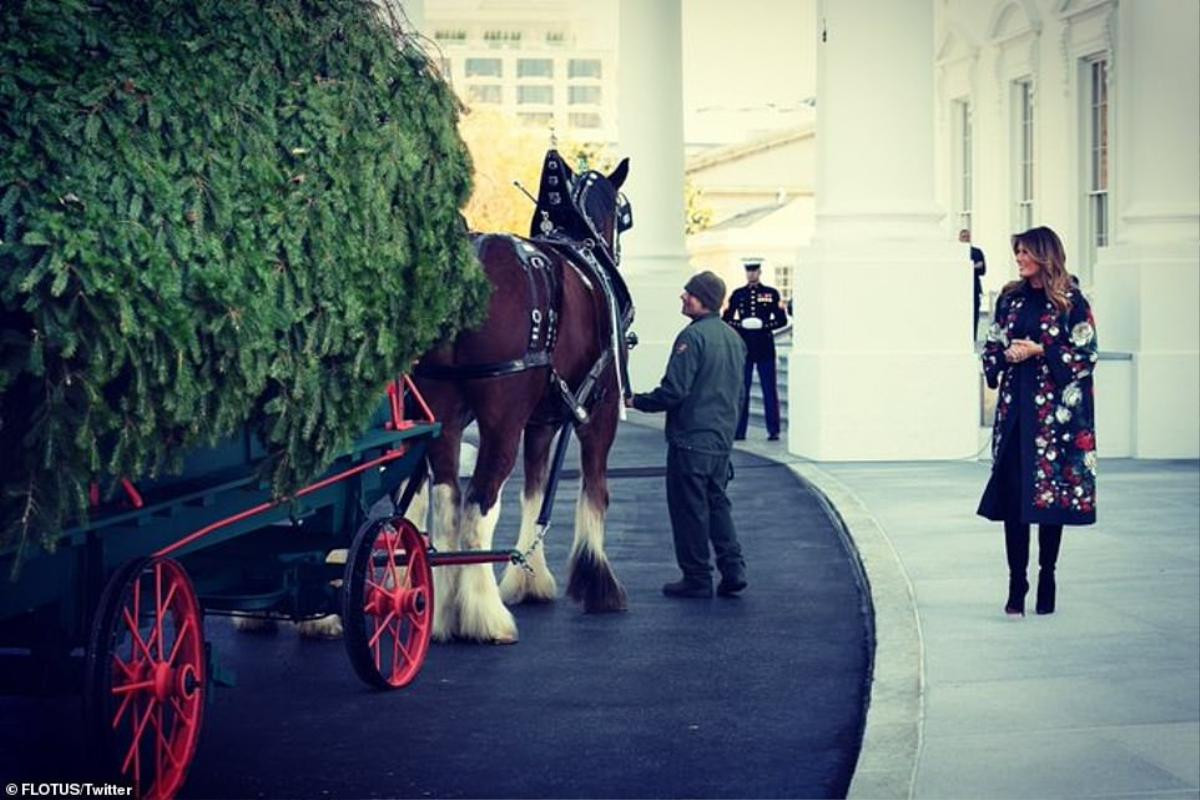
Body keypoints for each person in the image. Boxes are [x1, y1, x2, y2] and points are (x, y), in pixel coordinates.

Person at [978, 226, 1098, 617]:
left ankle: (1047, 577)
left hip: (1055, 423)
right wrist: (1004, 357)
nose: (1019, 258)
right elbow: (993, 344)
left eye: (1025, 252)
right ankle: (1017, 583)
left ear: (1045, 255)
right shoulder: (1010, 300)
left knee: (1049, 502)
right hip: (1016, 414)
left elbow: (1086, 354)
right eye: (1017, 252)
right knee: (1014, 501)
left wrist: (1041, 351)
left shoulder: (1071, 301)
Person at [627, 271, 748, 598]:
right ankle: (733, 568)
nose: (682, 297)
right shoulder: (733, 338)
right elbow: (738, 392)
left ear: (703, 299)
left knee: (689, 509)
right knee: (718, 504)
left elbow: (674, 391)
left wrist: (636, 401)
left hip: (691, 439)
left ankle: (696, 577)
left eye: (689, 293)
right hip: (720, 440)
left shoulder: (691, 338)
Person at [722, 259, 788, 441]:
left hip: (765, 346)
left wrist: (765, 324)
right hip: (745, 347)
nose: (751, 274)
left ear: (760, 272)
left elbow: (782, 320)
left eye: (754, 271)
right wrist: (741, 324)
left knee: (769, 389)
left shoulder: (771, 294)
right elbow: (726, 319)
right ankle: (739, 430)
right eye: (748, 271)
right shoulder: (738, 294)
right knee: (742, 389)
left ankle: (773, 429)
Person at [961, 229, 988, 341]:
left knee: (974, 314)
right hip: (960, 289)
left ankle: (973, 338)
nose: (965, 239)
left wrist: (968, 267)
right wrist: (973, 266)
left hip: (974, 288)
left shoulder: (977, 252)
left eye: (967, 237)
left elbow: (983, 270)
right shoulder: (956, 253)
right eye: (963, 237)